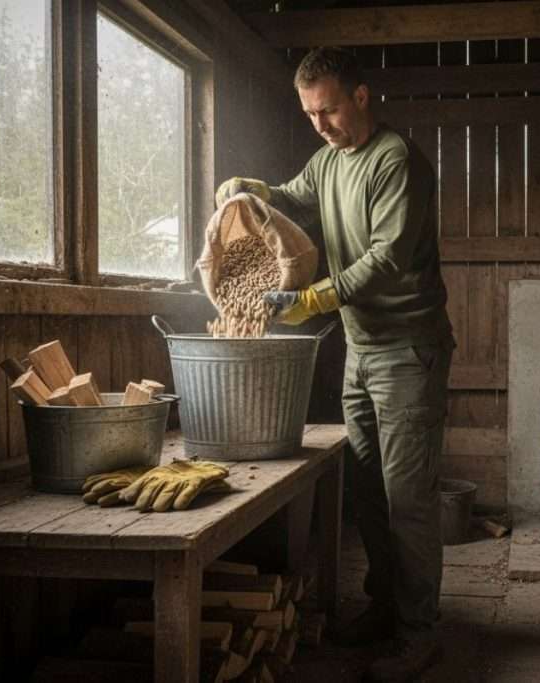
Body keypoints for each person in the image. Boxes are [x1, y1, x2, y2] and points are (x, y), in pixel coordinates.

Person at [215, 46, 454, 682]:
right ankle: (384, 607)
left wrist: (311, 299)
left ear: (361, 96)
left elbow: (386, 259)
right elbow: (294, 194)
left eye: (327, 110)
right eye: (309, 114)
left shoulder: (394, 160)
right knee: (370, 494)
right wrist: (252, 188)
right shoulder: (327, 160)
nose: (319, 124)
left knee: (408, 499)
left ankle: (420, 632)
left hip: (408, 350)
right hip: (360, 351)